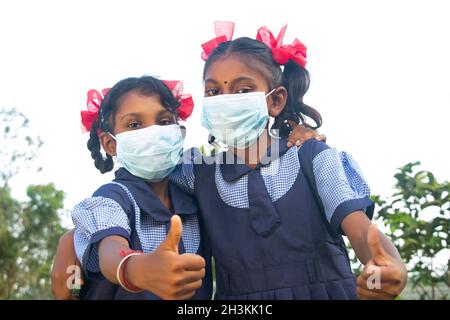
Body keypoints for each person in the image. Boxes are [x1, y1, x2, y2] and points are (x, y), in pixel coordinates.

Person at [167, 22, 407, 299]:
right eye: (213, 92)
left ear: (276, 100)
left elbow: (363, 233)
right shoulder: (197, 174)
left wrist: (388, 270)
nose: (225, 101)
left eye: (243, 90)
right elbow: (149, 173)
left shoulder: (312, 157)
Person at [63, 76, 212, 300]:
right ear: (110, 144)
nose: (152, 133)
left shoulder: (192, 188)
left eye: (163, 122)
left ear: (178, 132)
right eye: (134, 124)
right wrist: (135, 268)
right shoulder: (112, 198)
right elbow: (110, 249)